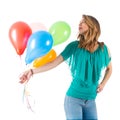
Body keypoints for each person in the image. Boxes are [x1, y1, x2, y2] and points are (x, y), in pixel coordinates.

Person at [19, 14, 112, 120]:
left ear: (93, 26)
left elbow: (110, 69)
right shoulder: (74, 46)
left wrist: (103, 84)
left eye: (83, 22)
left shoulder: (104, 49)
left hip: (91, 100)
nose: (79, 24)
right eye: (79, 21)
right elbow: (53, 63)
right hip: (74, 99)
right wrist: (32, 71)